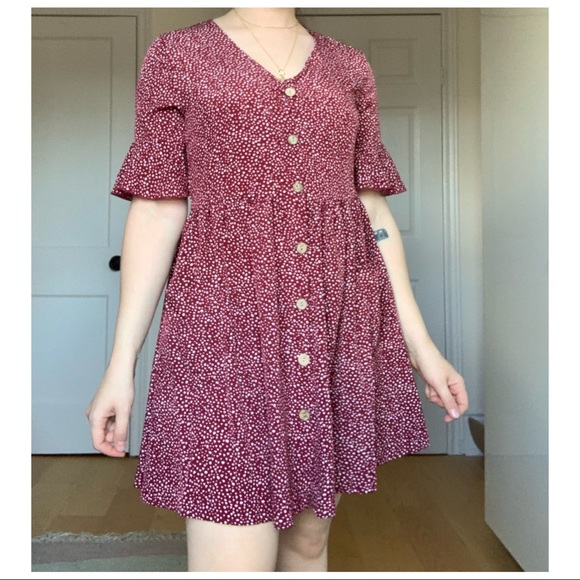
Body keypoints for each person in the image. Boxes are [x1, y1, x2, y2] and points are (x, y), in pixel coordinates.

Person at [86, 8, 468, 572]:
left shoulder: (348, 65)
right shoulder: (177, 55)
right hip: (224, 328)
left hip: (331, 323)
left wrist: (422, 345)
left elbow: (372, 211)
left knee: (308, 542)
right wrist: (121, 365)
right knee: (233, 546)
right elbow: (157, 208)